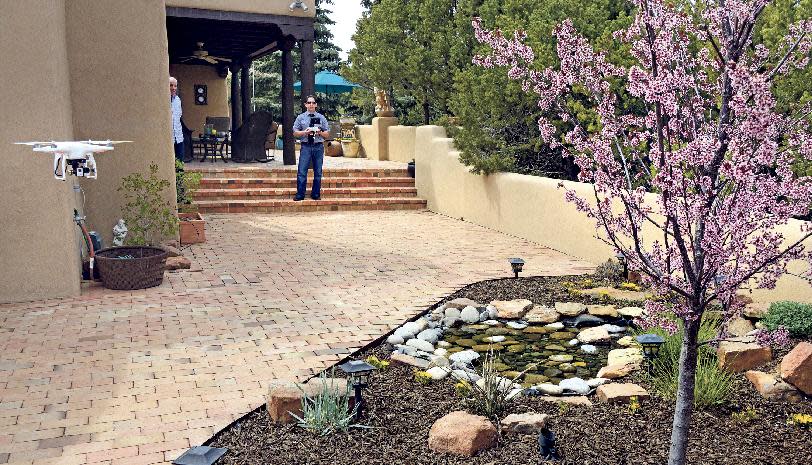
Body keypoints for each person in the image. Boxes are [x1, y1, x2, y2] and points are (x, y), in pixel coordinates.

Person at [292, 95, 330, 201]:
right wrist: (305, 132)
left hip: (318, 147)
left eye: (313, 103)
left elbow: (327, 134)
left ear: (316, 105)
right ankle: (300, 194)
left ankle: (316, 194)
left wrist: (320, 132)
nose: (311, 105)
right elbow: (295, 133)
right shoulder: (300, 117)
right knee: (302, 171)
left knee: (318, 172)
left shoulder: (321, 117)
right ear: (305, 105)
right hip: (306, 146)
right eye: (309, 103)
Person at [170, 76, 184, 161]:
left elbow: (179, 116)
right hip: (169, 138)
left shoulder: (178, 100)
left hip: (179, 136)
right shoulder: (164, 100)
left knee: (180, 163)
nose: (173, 88)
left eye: (175, 86)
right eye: (171, 85)